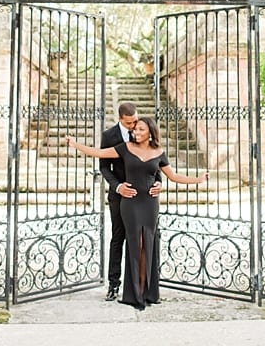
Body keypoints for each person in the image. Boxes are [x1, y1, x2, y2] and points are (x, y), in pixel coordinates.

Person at [66, 117, 208, 310]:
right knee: (135, 245)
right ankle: (133, 294)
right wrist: (75, 144)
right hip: (130, 203)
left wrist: (198, 180)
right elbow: (99, 153)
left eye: (141, 129)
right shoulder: (125, 148)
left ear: (150, 132)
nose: (136, 132)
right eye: (135, 129)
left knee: (146, 246)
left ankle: (145, 291)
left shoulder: (159, 152)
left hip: (150, 204)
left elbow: (174, 176)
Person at [99, 103, 161, 301]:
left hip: (145, 197)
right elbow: (104, 167)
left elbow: (155, 161)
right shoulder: (109, 136)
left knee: (148, 238)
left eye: (136, 121)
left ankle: (146, 285)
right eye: (130, 123)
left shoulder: (143, 132)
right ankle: (113, 285)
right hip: (120, 196)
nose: (134, 126)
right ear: (120, 119)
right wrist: (118, 186)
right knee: (118, 238)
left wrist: (159, 182)